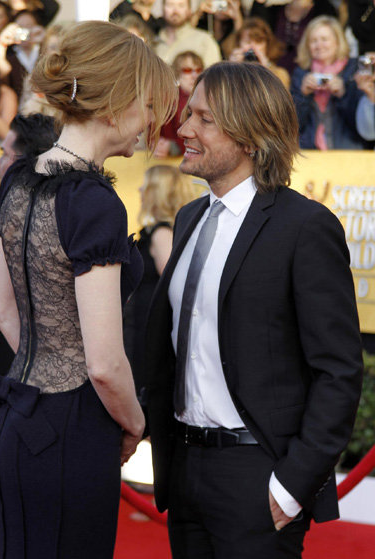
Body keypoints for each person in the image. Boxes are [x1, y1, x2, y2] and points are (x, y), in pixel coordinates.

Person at [0, 19, 177, 559]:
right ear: (114, 104)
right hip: (69, 433)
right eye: (149, 104)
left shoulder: (15, 181)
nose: (153, 121)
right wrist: (135, 425)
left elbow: (6, 316)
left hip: (10, 421)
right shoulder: (94, 203)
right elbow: (106, 365)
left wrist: (44, 382)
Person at [145, 61, 363, 559]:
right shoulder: (189, 218)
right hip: (185, 468)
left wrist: (291, 484)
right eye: (188, 114)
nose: (184, 129)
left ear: (249, 137)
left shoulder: (304, 227)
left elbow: (339, 370)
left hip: (258, 473)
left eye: (204, 119)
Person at [0, 112, 58, 520]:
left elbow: (11, 315)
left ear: (26, 162)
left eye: (5, 155)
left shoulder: (43, 222)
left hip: (21, 379)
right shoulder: (3, 216)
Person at [123, 165, 199, 400]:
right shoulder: (159, 231)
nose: (139, 188)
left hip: (147, 329)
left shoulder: (161, 233)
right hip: (141, 324)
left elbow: (173, 281)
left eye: (145, 184)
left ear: (158, 191)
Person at [291, 15, 367, 149]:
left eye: (324, 39)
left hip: (349, 153)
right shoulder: (300, 74)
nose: (319, 45)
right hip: (309, 154)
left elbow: (363, 126)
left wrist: (343, 95)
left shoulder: (353, 71)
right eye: (313, 40)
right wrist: (303, 95)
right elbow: (291, 127)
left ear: (337, 42)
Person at [250, 0, 337, 74]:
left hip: (309, 78)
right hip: (275, 76)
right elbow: (254, 30)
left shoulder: (323, 10)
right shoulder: (275, 11)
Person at [155, 50, 204, 157]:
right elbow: (153, 134)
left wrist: (175, 146)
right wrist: (160, 144)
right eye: (187, 70)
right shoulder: (167, 99)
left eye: (198, 70)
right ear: (177, 73)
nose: (194, 75)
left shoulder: (211, 99)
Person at [155, 0, 222, 68]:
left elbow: (213, 76)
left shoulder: (205, 40)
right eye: (170, 5)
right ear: (163, 9)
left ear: (189, 11)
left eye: (181, 5)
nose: (175, 11)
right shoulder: (153, 40)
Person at [228, 16, 290, 88]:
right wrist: (231, 68)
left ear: (267, 45)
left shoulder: (280, 74)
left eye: (258, 42)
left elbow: (279, 97)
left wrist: (266, 70)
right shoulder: (229, 69)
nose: (252, 48)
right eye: (248, 42)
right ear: (238, 44)